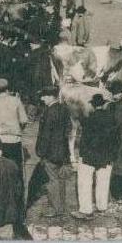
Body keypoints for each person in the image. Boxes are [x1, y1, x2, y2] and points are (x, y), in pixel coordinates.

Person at [72, 94, 119, 220]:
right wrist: (113, 154)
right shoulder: (112, 118)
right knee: (103, 181)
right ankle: (102, 206)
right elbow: (116, 139)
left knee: (85, 183)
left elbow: (84, 140)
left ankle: (86, 210)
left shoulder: (89, 119)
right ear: (103, 104)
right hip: (106, 156)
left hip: (90, 156)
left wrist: (81, 155)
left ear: (92, 105)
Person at [35, 86, 72, 219]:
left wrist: (41, 152)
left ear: (51, 96)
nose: (42, 98)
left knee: (52, 181)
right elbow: (69, 128)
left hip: (50, 152)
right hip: (63, 150)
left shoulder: (49, 112)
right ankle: (61, 205)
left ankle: (56, 209)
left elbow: (45, 136)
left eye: (44, 96)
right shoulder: (64, 109)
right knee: (60, 179)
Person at [0, 78, 29, 186]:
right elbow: (24, 120)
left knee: (1, 169)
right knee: (16, 169)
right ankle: (17, 197)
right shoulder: (16, 101)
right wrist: (18, 129)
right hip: (14, 139)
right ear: (7, 89)